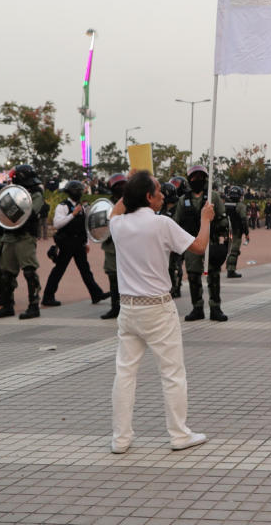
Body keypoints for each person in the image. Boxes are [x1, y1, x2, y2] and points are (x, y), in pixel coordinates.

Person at [108, 170, 211, 454]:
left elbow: (116, 210)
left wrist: (131, 184)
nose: (163, 194)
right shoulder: (162, 224)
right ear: (148, 197)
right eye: (158, 190)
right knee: (172, 373)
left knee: (125, 373)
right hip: (157, 308)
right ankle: (179, 434)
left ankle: (120, 438)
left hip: (128, 308)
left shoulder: (118, 225)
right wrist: (205, 220)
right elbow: (199, 247)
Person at [173, 165, 229, 322]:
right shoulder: (183, 200)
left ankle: (215, 307)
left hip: (210, 242)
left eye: (200, 176)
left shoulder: (213, 198)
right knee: (193, 276)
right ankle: (197, 307)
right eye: (194, 177)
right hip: (191, 244)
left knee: (213, 275)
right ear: (189, 179)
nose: (197, 179)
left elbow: (224, 219)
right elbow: (176, 223)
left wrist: (220, 230)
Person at [0, 164, 48, 321]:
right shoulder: (12, 192)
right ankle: (7, 305)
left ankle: (33, 306)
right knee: (6, 273)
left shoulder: (36, 193)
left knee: (29, 271)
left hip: (25, 236)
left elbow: (30, 213)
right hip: (10, 235)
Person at [43, 180, 108, 307]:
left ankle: (96, 294)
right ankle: (47, 297)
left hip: (79, 243)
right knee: (59, 270)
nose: (78, 193)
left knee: (85, 270)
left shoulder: (82, 207)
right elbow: (57, 224)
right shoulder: (63, 206)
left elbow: (86, 226)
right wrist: (73, 214)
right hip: (66, 243)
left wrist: (87, 242)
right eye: (77, 191)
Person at [97, 174, 129, 320]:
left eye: (122, 185)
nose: (120, 188)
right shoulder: (106, 205)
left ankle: (127, 308)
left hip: (128, 247)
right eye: (117, 186)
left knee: (129, 277)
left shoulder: (132, 204)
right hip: (111, 246)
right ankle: (115, 307)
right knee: (112, 277)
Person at [224, 185, 247, 279]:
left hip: (227, 231)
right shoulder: (240, 206)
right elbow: (244, 220)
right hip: (237, 231)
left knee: (229, 250)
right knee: (234, 251)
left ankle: (228, 267)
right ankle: (231, 270)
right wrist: (246, 232)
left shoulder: (225, 205)